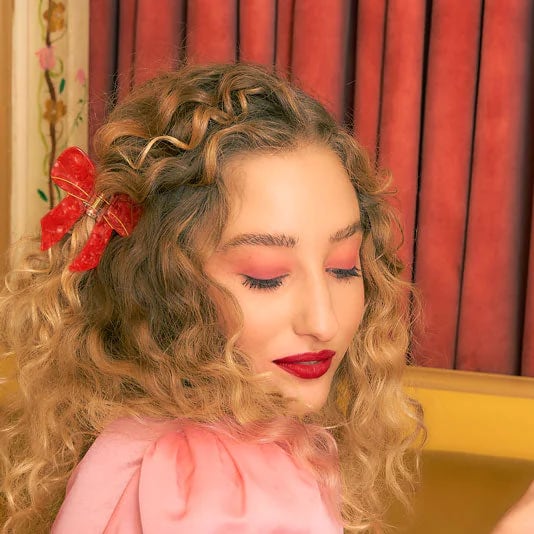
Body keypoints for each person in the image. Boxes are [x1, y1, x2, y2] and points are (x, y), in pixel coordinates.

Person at [5, 61, 521, 533]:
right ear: (161, 286)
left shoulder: (134, 442)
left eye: (344, 267)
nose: (323, 320)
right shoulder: (221, 482)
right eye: (267, 277)